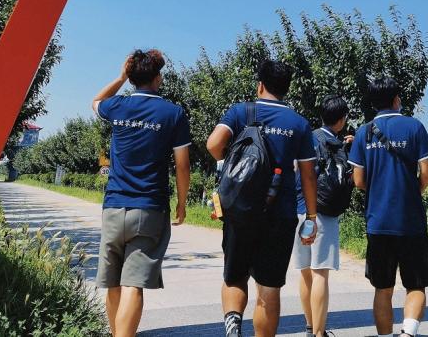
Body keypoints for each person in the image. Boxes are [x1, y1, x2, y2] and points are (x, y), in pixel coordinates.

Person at [206, 59, 319, 337]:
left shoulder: (240, 112)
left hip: (240, 210)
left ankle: (233, 322)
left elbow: (213, 144)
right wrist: (311, 217)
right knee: (269, 289)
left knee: (235, 276)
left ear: (260, 85)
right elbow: (308, 175)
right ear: (287, 88)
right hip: (280, 215)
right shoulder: (298, 124)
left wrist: (231, 164)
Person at [91, 49, 192, 337]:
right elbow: (182, 166)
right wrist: (181, 202)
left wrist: (121, 77)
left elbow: (96, 101)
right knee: (133, 286)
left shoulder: (117, 107)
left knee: (112, 283)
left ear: (133, 77)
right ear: (158, 78)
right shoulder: (173, 114)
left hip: (113, 207)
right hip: (149, 209)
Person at [348, 77, 428, 337]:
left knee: (382, 288)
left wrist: (379, 190)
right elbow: (426, 173)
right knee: (416, 285)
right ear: (397, 99)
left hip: (378, 221)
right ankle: (408, 332)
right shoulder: (414, 126)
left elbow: (358, 180)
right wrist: (412, 191)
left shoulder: (364, 132)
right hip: (410, 221)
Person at [293, 95, 354, 337]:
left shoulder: (305, 138)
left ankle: (310, 327)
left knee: (305, 271)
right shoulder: (336, 144)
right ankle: (319, 333)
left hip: (299, 211)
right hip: (322, 214)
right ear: (341, 119)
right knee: (320, 274)